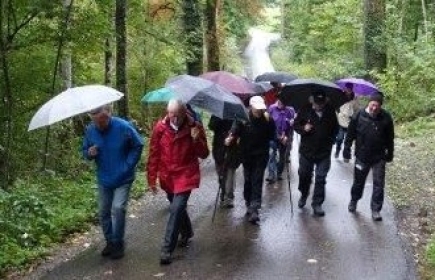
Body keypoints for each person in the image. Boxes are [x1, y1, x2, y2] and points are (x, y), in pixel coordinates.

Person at [147, 99, 209, 265]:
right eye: (169, 113)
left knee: (175, 209)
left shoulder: (194, 127)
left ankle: (167, 249)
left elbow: (204, 154)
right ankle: (187, 232)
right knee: (177, 207)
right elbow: (154, 153)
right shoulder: (160, 128)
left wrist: (196, 140)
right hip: (167, 175)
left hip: (186, 174)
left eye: (175, 114)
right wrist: (151, 178)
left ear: (183, 113)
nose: (171, 117)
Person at [82, 104, 144, 259]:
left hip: (123, 177)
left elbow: (138, 145)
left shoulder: (123, 127)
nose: (100, 125)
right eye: (96, 122)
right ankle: (109, 241)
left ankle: (118, 242)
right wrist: (89, 153)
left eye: (102, 122)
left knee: (118, 208)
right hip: (104, 178)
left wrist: (128, 165)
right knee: (103, 211)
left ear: (108, 115)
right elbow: (85, 151)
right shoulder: (90, 130)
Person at [343, 93, 394, 221]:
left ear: (381, 106)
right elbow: (350, 134)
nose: (374, 108)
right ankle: (354, 200)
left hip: (379, 157)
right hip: (362, 155)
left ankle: (376, 209)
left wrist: (390, 153)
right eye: (372, 105)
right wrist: (346, 149)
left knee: (379, 184)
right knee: (358, 182)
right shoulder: (359, 115)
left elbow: (390, 138)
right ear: (369, 103)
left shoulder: (386, 117)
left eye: (377, 106)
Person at [225, 96, 275, 223]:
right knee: (248, 181)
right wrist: (229, 138)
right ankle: (248, 201)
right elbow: (234, 131)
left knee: (257, 181)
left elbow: (273, 135)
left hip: (261, 156)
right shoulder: (242, 118)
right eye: (257, 109)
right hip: (246, 155)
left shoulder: (268, 119)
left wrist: (281, 139)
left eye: (261, 109)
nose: (259, 111)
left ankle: (254, 209)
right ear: (251, 107)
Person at [293, 91, 339, 217]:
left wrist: (332, 141)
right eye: (315, 103)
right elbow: (296, 125)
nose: (317, 106)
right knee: (304, 174)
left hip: (324, 152)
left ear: (324, 102)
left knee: (321, 177)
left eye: (320, 104)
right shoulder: (305, 109)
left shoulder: (330, 111)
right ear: (312, 101)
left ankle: (317, 203)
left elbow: (336, 128)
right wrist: (303, 129)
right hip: (307, 151)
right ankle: (303, 194)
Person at [208, 115, 241, 208]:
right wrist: (218, 119)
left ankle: (229, 197)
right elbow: (211, 126)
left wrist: (232, 136)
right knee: (221, 174)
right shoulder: (216, 114)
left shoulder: (236, 115)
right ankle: (223, 191)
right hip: (219, 148)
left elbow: (240, 130)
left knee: (231, 173)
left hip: (232, 149)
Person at [266, 99, 296, 183]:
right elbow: (269, 123)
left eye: (282, 101)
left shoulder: (290, 111)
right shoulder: (271, 108)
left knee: (282, 157)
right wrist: (276, 135)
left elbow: (291, 126)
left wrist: (287, 136)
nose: (280, 103)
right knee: (272, 155)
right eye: (279, 100)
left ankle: (279, 173)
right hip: (273, 137)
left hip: (284, 138)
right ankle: (271, 175)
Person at [335, 83, 360, 158]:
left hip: (349, 123)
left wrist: (353, 116)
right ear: (345, 88)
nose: (348, 90)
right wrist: (338, 113)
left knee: (348, 141)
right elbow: (336, 106)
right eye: (347, 88)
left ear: (352, 89)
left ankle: (346, 154)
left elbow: (356, 110)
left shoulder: (354, 99)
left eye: (350, 89)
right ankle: (337, 150)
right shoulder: (340, 97)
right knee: (339, 138)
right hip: (340, 121)